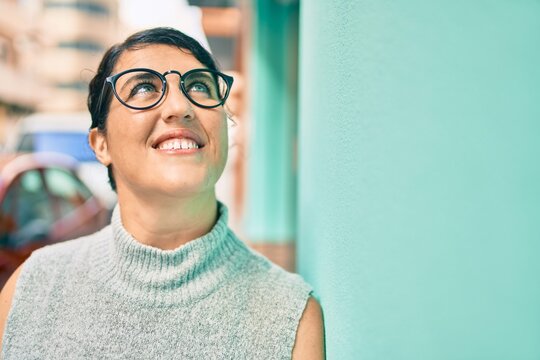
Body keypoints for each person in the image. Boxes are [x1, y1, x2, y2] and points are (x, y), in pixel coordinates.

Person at [0, 27, 324, 359]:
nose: (180, 106)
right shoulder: (32, 289)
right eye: (143, 87)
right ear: (101, 144)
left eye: (199, 85)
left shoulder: (290, 316)